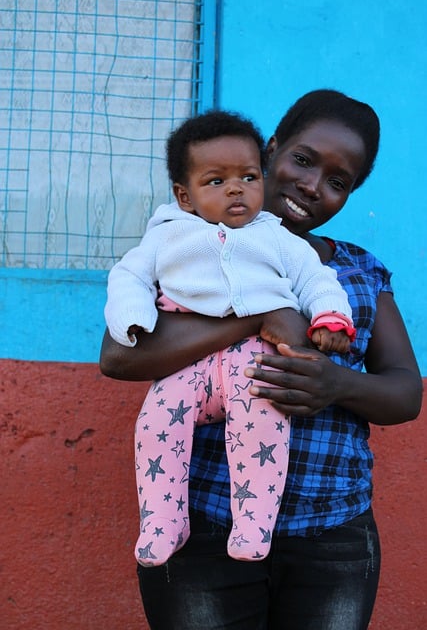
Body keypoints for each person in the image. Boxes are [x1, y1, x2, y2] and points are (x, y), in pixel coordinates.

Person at [100, 90, 423, 630]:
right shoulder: (186, 245)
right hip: (206, 525)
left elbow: (406, 392)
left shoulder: (359, 272)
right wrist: (256, 317)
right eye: (302, 159)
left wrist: (334, 384)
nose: (311, 185)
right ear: (271, 149)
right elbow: (118, 355)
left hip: (332, 532)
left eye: (338, 182)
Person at [104, 110, 356, 566]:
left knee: (262, 423)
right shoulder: (167, 236)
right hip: (187, 363)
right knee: (156, 425)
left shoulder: (278, 239)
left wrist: (331, 317)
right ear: (185, 196)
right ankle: (163, 522)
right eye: (215, 182)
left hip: (253, 361)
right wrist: (133, 317)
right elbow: (128, 277)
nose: (236, 189)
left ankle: (253, 526)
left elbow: (317, 280)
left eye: (247, 176)